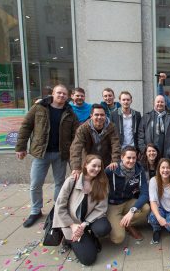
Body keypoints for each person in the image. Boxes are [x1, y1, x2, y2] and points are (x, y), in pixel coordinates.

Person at [15, 84, 79, 228]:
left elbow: (77, 133)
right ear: (53, 93)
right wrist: (20, 147)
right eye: (59, 93)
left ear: (67, 96)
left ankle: (58, 209)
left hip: (60, 153)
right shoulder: (39, 108)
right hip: (41, 153)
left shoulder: (70, 112)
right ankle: (35, 210)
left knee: (59, 183)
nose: (61, 96)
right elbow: (26, 126)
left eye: (64, 94)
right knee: (36, 183)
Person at [53, 155, 111, 266]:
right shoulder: (72, 180)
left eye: (99, 166)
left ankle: (90, 236)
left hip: (88, 220)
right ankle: (69, 239)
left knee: (103, 228)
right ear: (85, 165)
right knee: (88, 259)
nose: (97, 169)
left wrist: (85, 224)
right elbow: (60, 206)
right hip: (71, 222)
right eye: (93, 165)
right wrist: (72, 225)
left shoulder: (102, 182)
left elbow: (101, 208)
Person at [105, 146, 150, 244]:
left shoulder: (139, 170)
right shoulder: (112, 169)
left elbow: (145, 194)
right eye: (128, 158)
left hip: (128, 201)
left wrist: (132, 211)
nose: (131, 161)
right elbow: (96, 177)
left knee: (146, 208)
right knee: (118, 238)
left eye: (134, 158)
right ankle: (120, 222)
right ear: (122, 157)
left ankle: (125, 222)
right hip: (113, 204)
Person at [70, 104, 121, 179]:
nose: (99, 117)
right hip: (89, 160)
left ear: (105, 116)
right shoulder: (83, 129)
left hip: (106, 161)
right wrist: (76, 167)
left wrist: (115, 161)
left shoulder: (111, 127)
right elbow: (76, 148)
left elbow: (115, 144)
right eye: (96, 115)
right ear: (91, 116)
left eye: (102, 115)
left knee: (105, 184)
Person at [148, 158, 170, 244]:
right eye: (163, 168)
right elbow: (153, 201)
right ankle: (157, 229)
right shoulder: (153, 181)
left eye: (168, 168)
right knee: (153, 217)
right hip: (160, 208)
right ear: (159, 169)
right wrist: (159, 218)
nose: (165, 170)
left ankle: (169, 226)